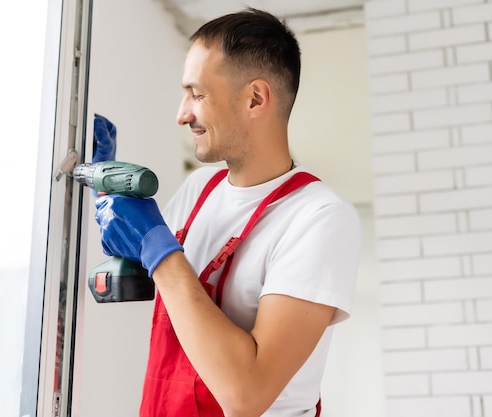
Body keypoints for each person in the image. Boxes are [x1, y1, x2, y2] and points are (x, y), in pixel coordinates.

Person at [94, 7, 361, 417]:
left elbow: (246, 395)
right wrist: (103, 191)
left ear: (255, 98)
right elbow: (142, 262)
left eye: (197, 94)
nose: (182, 114)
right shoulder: (199, 190)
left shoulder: (318, 217)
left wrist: (160, 250)